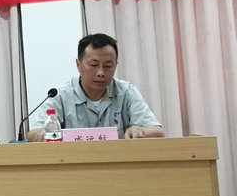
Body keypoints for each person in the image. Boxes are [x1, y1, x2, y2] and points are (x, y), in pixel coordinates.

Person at [27, 33, 164, 141]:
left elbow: (158, 132)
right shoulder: (60, 95)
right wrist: (45, 134)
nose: (101, 73)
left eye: (108, 66)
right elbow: (33, 134)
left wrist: (141, 131)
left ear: (116, 65)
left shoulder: (126, 92)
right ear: (78, 65)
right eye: (93, 65)